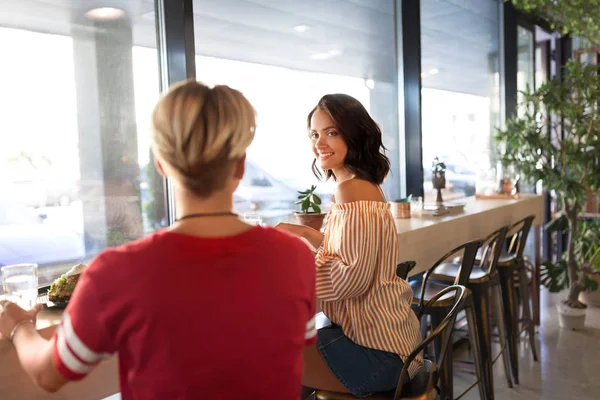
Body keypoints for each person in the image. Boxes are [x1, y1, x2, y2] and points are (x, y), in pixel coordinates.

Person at [0, 80, 317, 399]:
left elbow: (47, 373)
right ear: (240, 166)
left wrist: (18, 327)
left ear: (162, 165)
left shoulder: (118, 271)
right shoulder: (296, 256)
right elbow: (295, 344)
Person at [277, 94, 423, 397]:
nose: (320, 143)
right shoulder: (361, 185)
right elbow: (351, 253)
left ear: (354, 135)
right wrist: (303, 234)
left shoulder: (351, 189)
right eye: (314, 134)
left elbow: (350, 280)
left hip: (381, 356)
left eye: (332, 132)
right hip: (397, 345)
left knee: (270, 356)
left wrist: (294, 267)